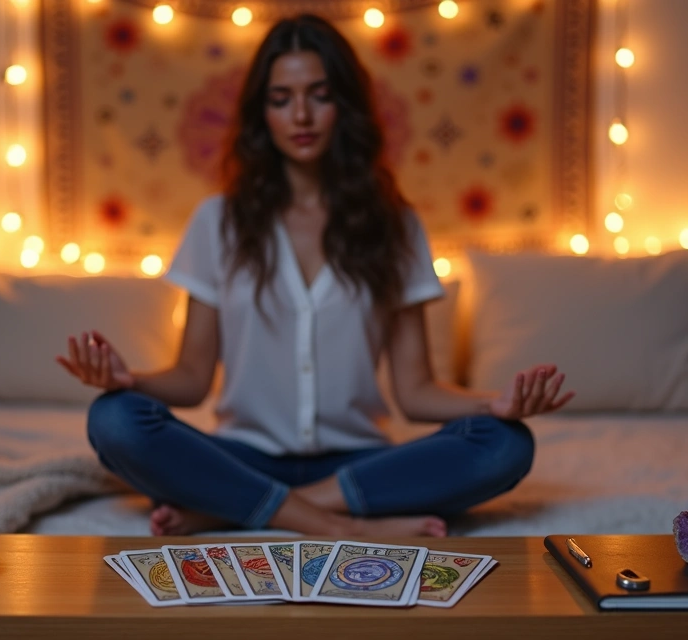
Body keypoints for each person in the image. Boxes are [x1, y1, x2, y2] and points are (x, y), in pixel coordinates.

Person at [57, 14, 572, 538]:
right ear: (262, 114)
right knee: (115, 420)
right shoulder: (219, 221)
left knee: (506, 444)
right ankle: (343, 527)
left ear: (344, 106)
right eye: (281, 99)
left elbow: (415, 391)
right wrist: (128, 380)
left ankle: (240, 508)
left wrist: (495, 404)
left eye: (319, 95)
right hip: (241, 457)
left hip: (358, 468)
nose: (300, 115)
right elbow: (190, 380)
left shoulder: (395, 224)